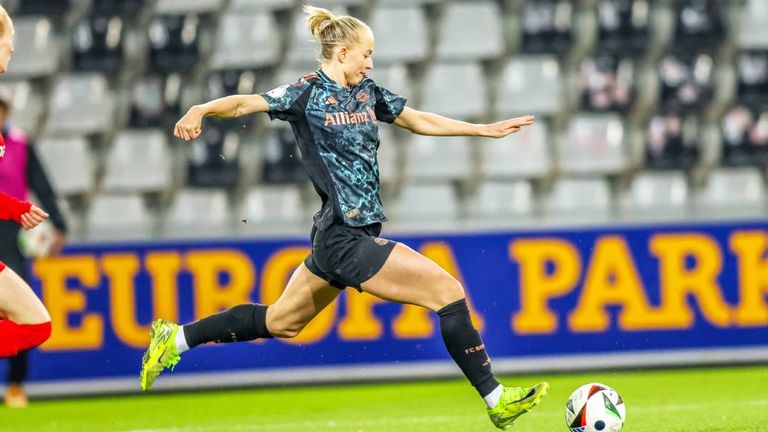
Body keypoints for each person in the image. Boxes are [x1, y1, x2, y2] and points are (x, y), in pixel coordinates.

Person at [141, 5, 548, 429]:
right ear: (343, 54)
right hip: (345, 238)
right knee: (447, 291)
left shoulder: (368, 93)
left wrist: (481, 129)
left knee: (282, 322)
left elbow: (418, 119)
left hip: (340, 234)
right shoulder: (305, 93)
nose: (370, 63)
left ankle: (178, 338)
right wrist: (201, 108)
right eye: (366, 54)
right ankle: (496, 398)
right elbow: (247, 102)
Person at [0, 7, 63, 408]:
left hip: (8, 234)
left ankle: (16, 387)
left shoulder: (19, 141)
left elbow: (43, 184)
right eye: (10, 44)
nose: (12, 54)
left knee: (36, 323)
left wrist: (14, 209)